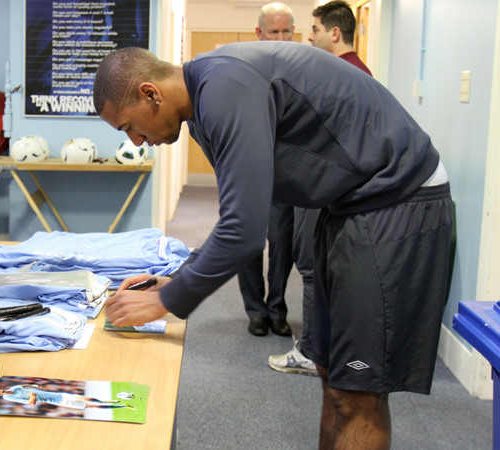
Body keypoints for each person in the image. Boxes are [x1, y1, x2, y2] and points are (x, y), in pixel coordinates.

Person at [95, 43, 452, 448]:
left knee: (358, 391)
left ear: (150, 93)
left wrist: (169, 299)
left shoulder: (223, 89)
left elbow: (244, 232)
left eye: (128, 126)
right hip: (346, 203)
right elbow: (239, 213)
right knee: (331, 374)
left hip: (396, 197)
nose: (136, 141)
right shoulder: (202, 109)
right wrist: (176, 279)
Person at [268, 0, 373, 377]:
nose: (308, 38)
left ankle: (312, 351)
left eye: (314, 30)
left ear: (335, 32)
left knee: (311, 265)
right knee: (317, 266)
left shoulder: (344, 75)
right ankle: (320, 346)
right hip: (331, 185)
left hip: (324, 185)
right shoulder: (355, 72)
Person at [237, 2, 298, 337]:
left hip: (285, 170)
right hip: (248, 168)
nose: (281, 37)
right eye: (274, 31)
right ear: (259, 33)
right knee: (248, 240)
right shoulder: (244, 67)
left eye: (286, 31)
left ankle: (277, 308)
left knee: (282, 240)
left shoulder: (302, 68)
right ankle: (256, 311)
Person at [0, 384, 135, 410]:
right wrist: (33, 396)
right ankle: (124, 405)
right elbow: (31, 403)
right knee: (92, 406)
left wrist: (34, 386)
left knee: (84, 398)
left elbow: (23, 385)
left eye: (1, 390)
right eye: (0, 393)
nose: (3, 392)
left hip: (59, 394)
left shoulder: (13, 388)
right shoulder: (9, 398)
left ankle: (106, 400)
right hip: (58, 401)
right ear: (0, 395)